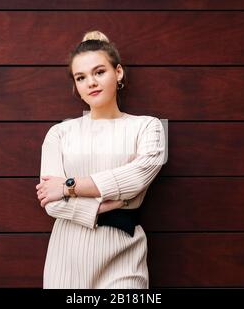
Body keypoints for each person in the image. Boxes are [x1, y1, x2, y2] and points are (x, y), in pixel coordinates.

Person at [36, 30, 166, 289]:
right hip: (67, 255)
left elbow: (136, 178)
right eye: (81, 77)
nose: (91, 83)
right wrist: (106, 205)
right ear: (76, 86)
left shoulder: (147, 126)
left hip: (124, 251)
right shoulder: (59, 133)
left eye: (99, 72)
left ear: (118, 73)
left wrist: (69, 186)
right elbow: (51, 202)